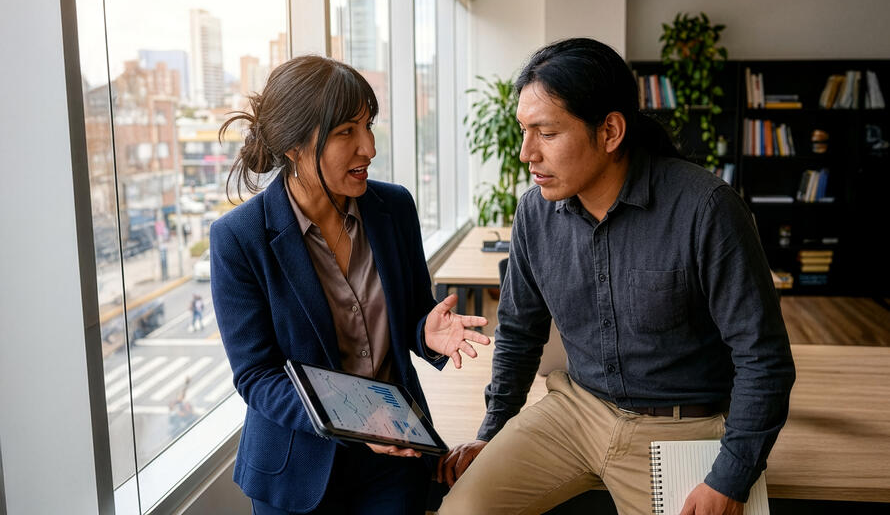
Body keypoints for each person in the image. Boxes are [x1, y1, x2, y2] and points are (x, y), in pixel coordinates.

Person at [436, 38, 796, 515]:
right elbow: (519, 334)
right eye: (524, 130)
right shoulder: (534, 215)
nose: (526, 153)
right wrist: (493, 432)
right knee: (462, 510)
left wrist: (729, 480)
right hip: (574, 411)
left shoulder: (706, 209)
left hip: (680, 427)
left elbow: (764, 359)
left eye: (545, 132)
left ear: (609, 132)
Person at [210, 55, 489, 515]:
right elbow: (257, 376)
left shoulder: (393, 208)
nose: (369, 148)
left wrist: (426, 332)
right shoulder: (239, 238)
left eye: (369, 126)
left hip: (395, 457)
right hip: (296, 469)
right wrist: (352, 420)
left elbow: (413, 313)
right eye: (346, 132)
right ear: (294, 146)